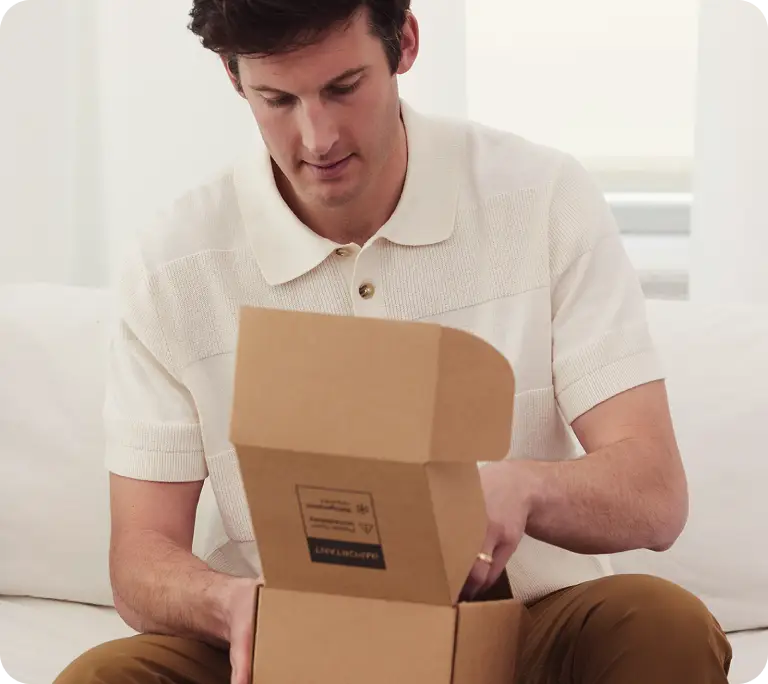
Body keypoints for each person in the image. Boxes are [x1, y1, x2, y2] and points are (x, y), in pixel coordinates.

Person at [54, 1, 732, 683]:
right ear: (234, 78)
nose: (318, 138)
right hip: (287, 642)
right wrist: (229, 605)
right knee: (102, 679)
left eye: (343, 88)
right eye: (278, 100)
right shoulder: (173, 264)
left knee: (662, 623)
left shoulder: (542, 197)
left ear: (404, 43)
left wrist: (526, 488)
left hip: (519, 630)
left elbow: (655, 493)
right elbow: (140, 557)